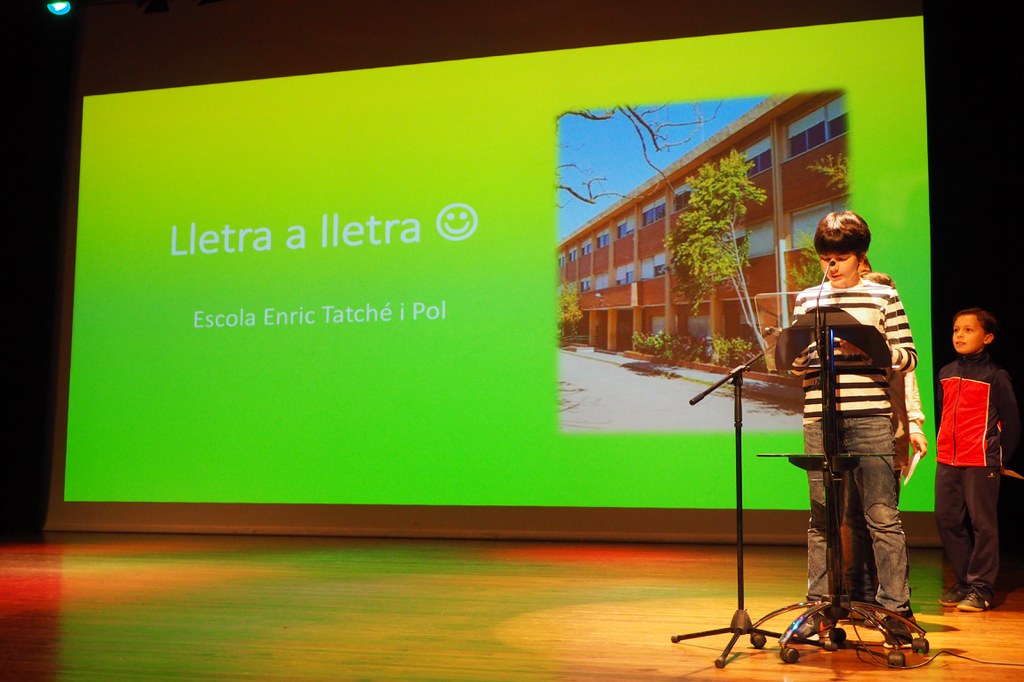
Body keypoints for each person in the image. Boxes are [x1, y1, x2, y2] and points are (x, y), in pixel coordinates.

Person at [789, 211, 917, 644]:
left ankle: (895, 610)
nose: (831, 266)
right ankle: (818, 606)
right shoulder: (807, 299)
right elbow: (795, 365)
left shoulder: (882, 296)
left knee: (881, 514)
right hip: (819, 415)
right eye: (825, 257)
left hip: (870, 416)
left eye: (840, 257)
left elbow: (908, 356)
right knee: (822, 517)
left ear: (860, 257)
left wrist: (871, 348)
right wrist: (797, 354)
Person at [843, 270, 928, 607]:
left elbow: (909, 386)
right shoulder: (852, 348)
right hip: (853, 431)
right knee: (852, 517)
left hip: (889, 434)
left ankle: (889, 597)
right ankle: (857, 592)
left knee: (881, 515)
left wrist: (916, 426)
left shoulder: (894, 351)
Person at [934, 308, 1020, 612]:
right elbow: (944, 413)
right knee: (946, 519)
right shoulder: (945, 372)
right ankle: (964, 581)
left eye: (968, 330)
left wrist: (999, 457)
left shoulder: (995, 376)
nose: (959, 335)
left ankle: (981, 588)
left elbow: (1011, 422)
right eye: (956, 329)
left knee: (983, 524)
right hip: (947, 459)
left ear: (988, 338)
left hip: (980, 460)